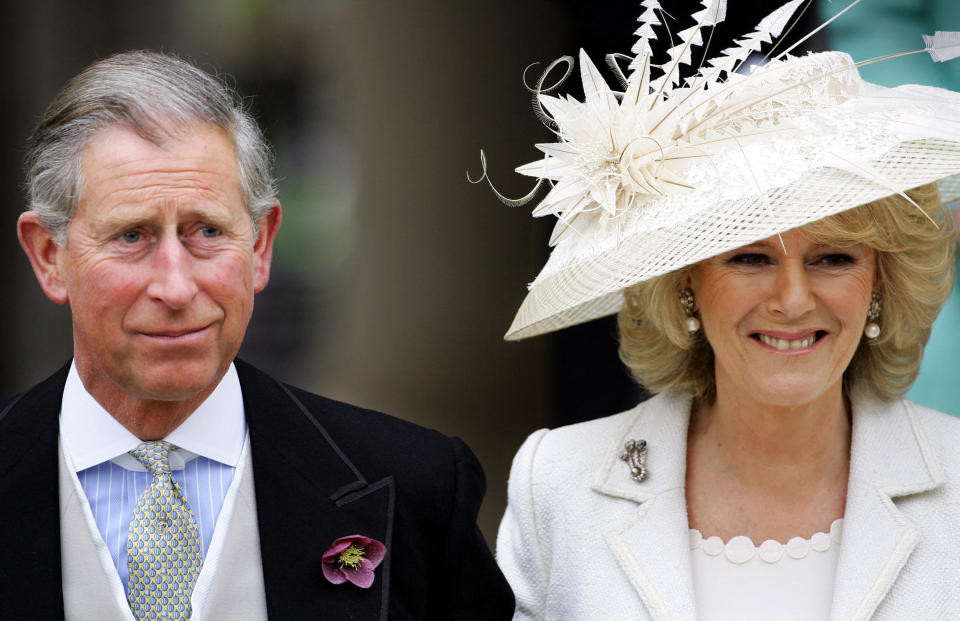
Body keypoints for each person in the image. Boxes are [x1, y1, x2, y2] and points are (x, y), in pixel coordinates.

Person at [1, 50, 513, 621]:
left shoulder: (416, 486)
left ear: (261, 245)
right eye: (130, 236)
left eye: (207, 230)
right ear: (50, 257)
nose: (175, 287)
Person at [488, 1, 960, 619]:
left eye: (834, 259)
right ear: (685, 283)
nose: (792, 300)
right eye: (750, 259)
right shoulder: (557, 482)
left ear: (881, 282)